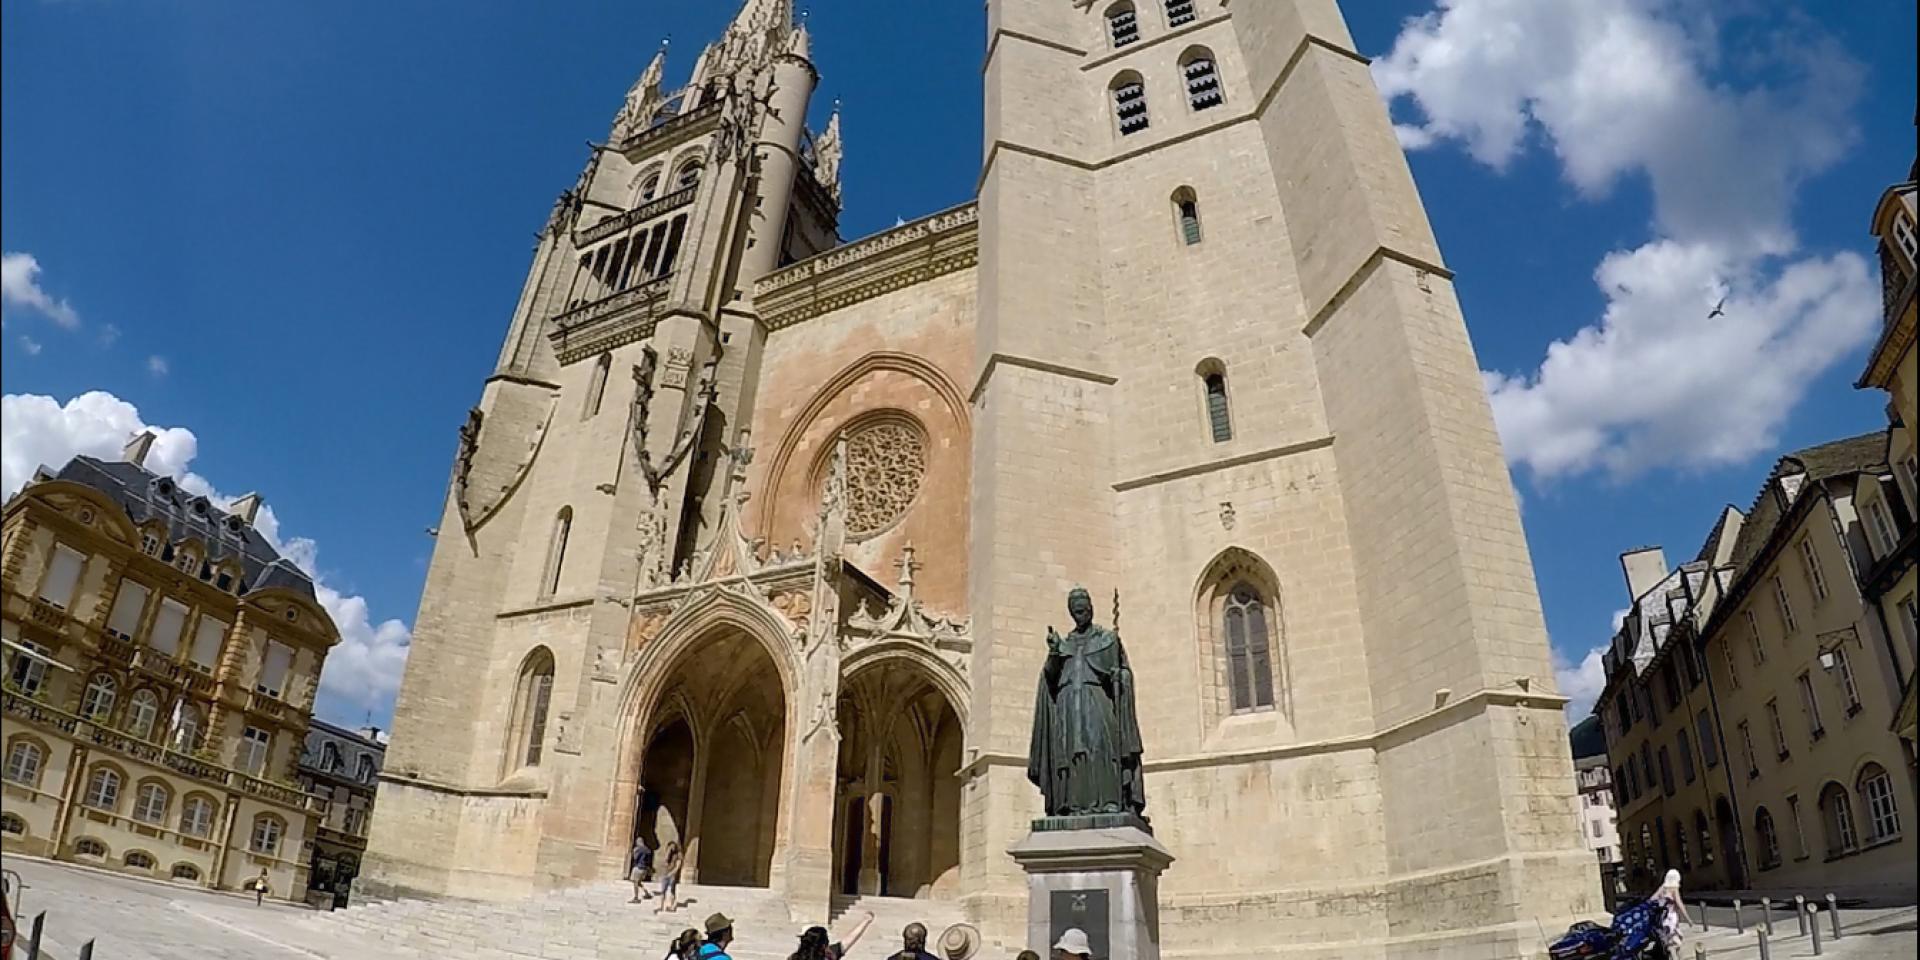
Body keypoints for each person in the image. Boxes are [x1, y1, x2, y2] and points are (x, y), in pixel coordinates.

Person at [787, 910, 875, 960]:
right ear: (824, 944)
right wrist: (865, 921)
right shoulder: (829, 956)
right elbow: (848, 941)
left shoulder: (794, 958)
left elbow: (847, 941)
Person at [1651, 868, 1687, 952]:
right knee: (1676, 940)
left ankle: (1670, 953)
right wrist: (1688, 920)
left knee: (1670, 938)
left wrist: (1660, 903)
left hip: (1663, 917)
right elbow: (1680, 904)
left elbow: (1652, 899)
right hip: (1670, 918)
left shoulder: (1662, 888)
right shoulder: (1674, 888)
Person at [654, 840, 684, 915]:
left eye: (673, 847)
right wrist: (668, 852)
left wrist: (672, 873)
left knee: (672, 891)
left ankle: (671, 906)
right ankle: (661, 906)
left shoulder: (678, 855)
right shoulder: (668, 853)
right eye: (670, 846)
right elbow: (665, 861)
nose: (672, 848)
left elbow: (678, 866)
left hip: (672, 875)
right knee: (663, 891)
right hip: (665, 874)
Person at [629, 837, 656, 903]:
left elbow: (635, 858)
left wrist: (634, 852)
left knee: (635, 882)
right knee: (638, 882)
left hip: (638, 867)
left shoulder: (638, 849)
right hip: (644, 868)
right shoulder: (647, 849)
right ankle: (646, 893)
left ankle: (636, 898)